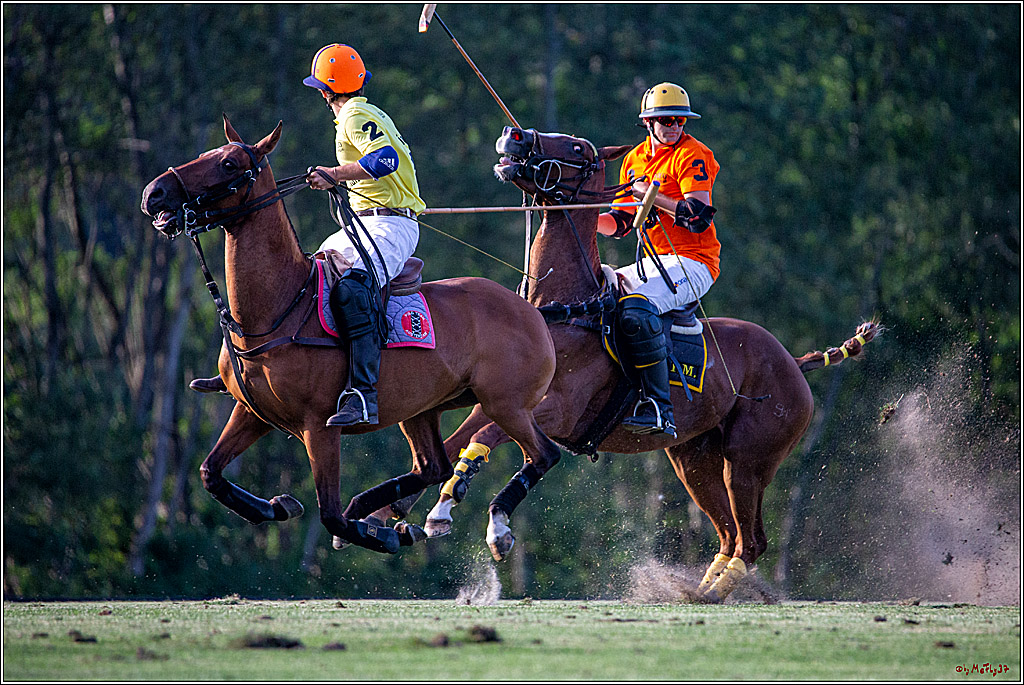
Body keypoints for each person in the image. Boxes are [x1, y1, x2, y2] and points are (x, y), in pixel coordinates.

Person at [191, 44, 426, 429]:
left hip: (391, 224)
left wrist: (335, 174)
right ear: (360, 80)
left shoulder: (353, 116)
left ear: (324, 90)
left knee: (352, 289)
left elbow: (386, 162)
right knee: (306, 276)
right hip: (368, 222)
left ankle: (363, 393)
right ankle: (245, 365)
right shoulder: (364, 112)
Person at [596, 82, 720, 438]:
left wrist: (649, 196)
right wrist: (584, 220)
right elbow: (619, 222)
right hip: (652, 259)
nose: (674, 127)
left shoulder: (692, 154)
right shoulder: (634, 160)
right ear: (648, 122)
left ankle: (658, 407)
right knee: (597, 294)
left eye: (680, 121)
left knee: (637, 308)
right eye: (665, 120)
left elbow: (697, 216)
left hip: (693, 262)